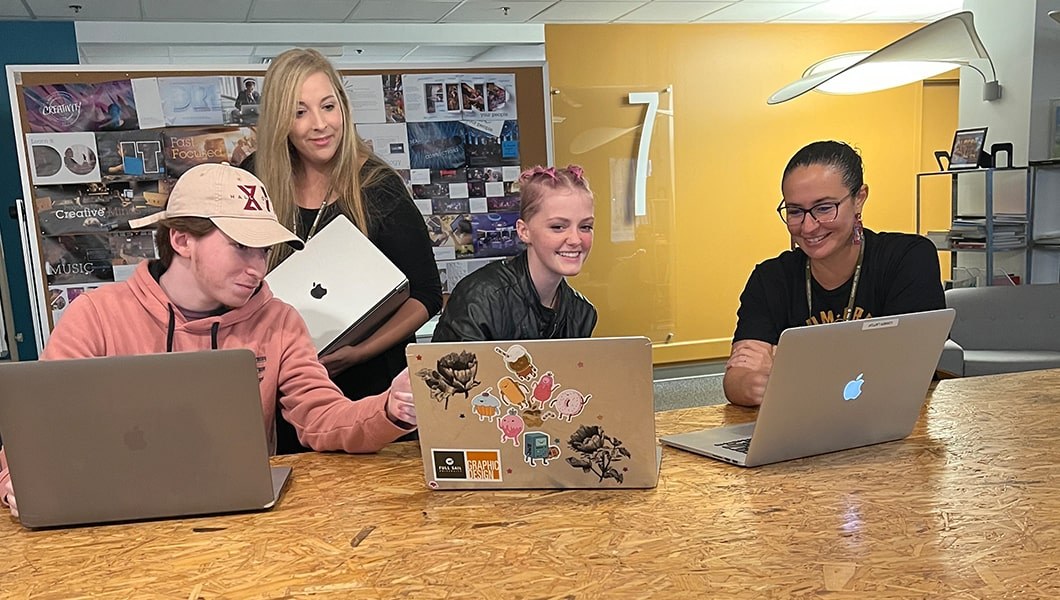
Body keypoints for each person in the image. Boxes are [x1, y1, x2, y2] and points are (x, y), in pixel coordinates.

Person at [0, 163, 417, 517]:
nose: (257, 267)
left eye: (264, 250)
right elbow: (39, 432)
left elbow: (321, 418)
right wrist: (15, 481)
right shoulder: (96, 315)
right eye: (241, 247)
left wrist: (390, 408)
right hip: (118, 525)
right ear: (182, 240)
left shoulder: (278, 320)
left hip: (240, 523)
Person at [254, 48, 442, 451]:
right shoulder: (257, 180)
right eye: (299, 111)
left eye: (328, 106)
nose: (319, 125)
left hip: (375, 392)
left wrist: (359, 352)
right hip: (289, 399)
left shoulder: (377, 186)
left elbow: (425, 294)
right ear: (278, 120)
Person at [723, 140, 946, 407]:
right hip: (802, 426)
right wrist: (752, 383)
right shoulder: (770, 278)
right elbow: (737, 380)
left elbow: (907, 366)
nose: (808, 226)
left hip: (897, 422)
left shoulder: (907, 257)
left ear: (859, 198)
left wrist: (786, 363)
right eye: (795, 211)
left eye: (824, 208)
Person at [432, 165, 597, 342]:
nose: (575, 240)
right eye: (558, 227)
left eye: (585, 227)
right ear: (524, 231)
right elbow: (448, 368)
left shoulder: (582, 313)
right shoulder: (479, 300)